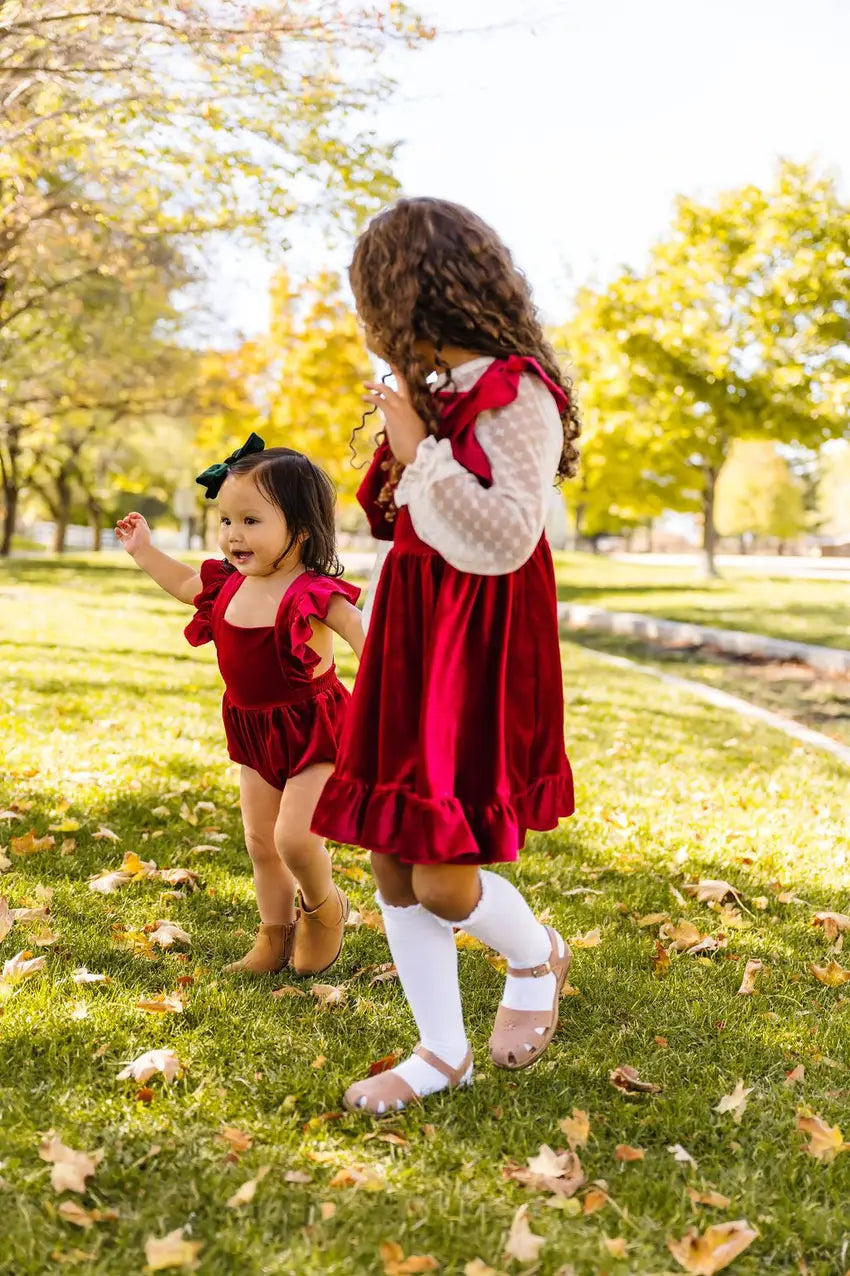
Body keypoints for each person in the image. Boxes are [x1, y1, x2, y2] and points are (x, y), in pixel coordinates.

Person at [311, 198, 580, 1113]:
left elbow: (504, 536)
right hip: (415, 630)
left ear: (410, 299)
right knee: (390, 855)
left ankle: (534, 953)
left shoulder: (520, 390)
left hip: (476, 648)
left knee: (441, 868)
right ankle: (441, 1050)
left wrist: (421, 448)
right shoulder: (434, 395)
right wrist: (403, 443)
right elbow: (409, 519)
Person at [116, 437, 363, 976]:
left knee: (293, 838)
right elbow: (183, 582)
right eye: (226, 520)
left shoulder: (313, 592)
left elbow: (360, 635)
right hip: (253, 730)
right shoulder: (228, 584)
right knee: (259, 841)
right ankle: (273, 935)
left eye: (251, 520)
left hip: (313, 729)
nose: (232, 535)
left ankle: (325, 908)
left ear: (300, 527)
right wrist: (144, 551)